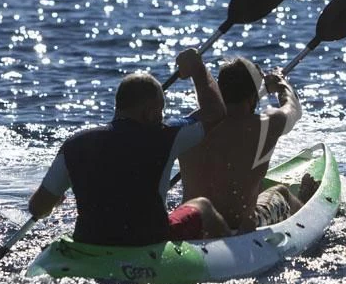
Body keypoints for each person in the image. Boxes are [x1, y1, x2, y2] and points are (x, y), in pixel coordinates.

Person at [27, 48, 230, 246]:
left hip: (90, 242)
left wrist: (54, 200)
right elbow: (216, 112)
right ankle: (235, 251)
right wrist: (197, 68)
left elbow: (37, 208)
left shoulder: (74, 144)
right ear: (149, 113)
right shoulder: (166, 135)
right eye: (160, 111)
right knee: (202, 206)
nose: (162, 117)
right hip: (148, 240)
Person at [177, 57, 318, 236]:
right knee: (282, 193)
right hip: (237, 226)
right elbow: (293, 108)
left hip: (192, 222)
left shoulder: (191, 125)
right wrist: (281, 83)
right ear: (252, 98)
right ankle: (304, 202)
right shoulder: (267, 125)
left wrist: (261, 89)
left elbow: (223, 108)